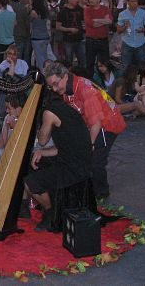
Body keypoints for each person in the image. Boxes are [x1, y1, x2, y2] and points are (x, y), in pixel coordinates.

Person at [44, 61, 126, 200]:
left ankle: (101, 193)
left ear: (65, 76)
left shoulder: (85, 90)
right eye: (51, 86)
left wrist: (89, 144)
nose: (55, 89)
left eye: (56, 84)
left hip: (108, 123)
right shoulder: (69, 87)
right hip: (95, 122)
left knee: (95, 161)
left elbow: (96, 124)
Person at [24, 91, 93, 231]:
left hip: (72, 168)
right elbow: (64, 146)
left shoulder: (49, 112)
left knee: (28, 181)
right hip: (81, 164)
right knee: (38, 162)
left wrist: (37, 125)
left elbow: (42, 140)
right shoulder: (67, 109)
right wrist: (42, 152)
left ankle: (51, 213)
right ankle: (51, 202)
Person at [117, 0, 145, 67]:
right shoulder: (122, 14)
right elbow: (118, 31)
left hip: (140, 44)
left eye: (136, 1)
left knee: (142, 67)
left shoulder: (144, 13)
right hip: (127, 44)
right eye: (132, 1)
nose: (135, 3)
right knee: (125, 67)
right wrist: (125, 27)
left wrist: (143, 30)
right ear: (128, 2)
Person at [84, 0, 112, 75]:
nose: (91, 0)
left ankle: (104, 80)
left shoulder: (105, 9)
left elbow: (109, 21)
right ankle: (90, 79)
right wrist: (103, 20)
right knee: (90, 63)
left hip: (103, 40)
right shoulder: (87, 10)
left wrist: (96, 20)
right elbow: (93, 24)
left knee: (105, 63)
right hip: (91, 40)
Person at [56, 0, 86, 67]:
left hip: (80, 39)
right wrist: (69, 29)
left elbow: (83, 21)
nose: (77, 0)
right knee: (69, 62)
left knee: (83, 61)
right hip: (68, 40)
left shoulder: (80, 9)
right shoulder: (63, 11)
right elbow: (58, 26)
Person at [29, 0, 51, 69]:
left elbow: (29, 22)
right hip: (45, 36)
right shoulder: (45, 11)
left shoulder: (33, 12)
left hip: (37, 37)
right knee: (45, 57)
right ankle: (47, 71)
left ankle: (43, 73)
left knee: (40, 59)